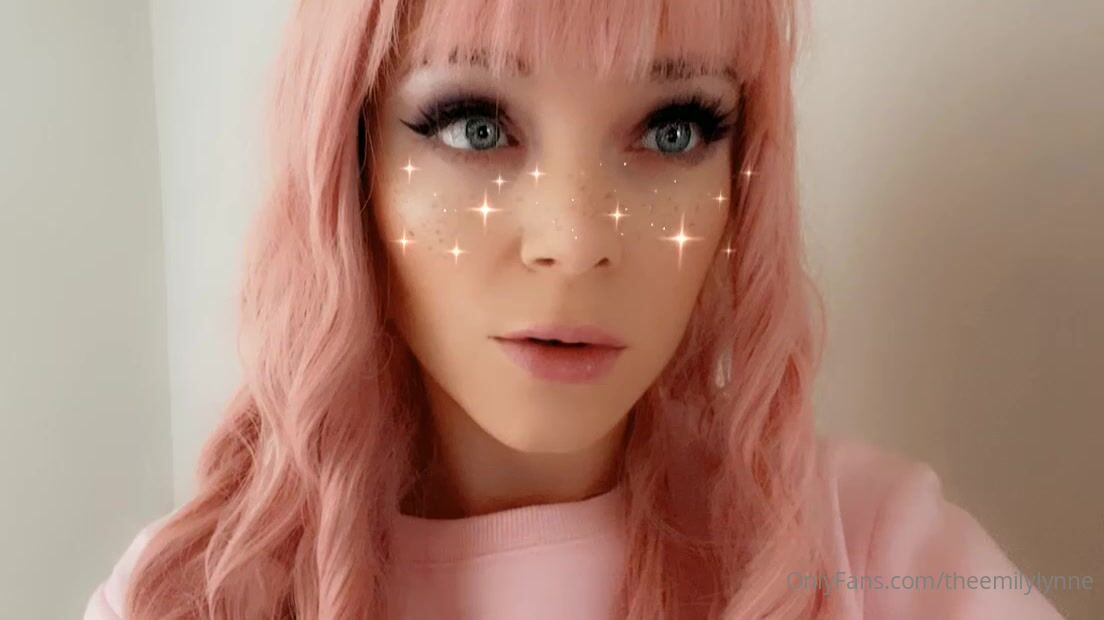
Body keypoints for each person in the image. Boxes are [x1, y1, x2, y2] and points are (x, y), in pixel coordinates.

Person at [84, 0, 1066, 618]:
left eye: (673, 129)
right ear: (353, 163)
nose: (577, 237)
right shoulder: (190, 593)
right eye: (475, 126)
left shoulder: (877, 557)